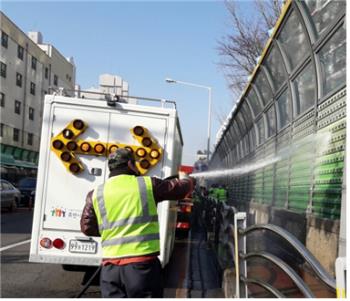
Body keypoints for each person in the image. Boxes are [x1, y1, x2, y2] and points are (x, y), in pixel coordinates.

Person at [80, 148, 195, 298]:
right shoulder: (146, 185)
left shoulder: (95, 194)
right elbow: (179, 190)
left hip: (110, 269)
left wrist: (113, 231)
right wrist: (187, 179)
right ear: (130, 164)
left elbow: (87, 228)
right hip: (141, 267)